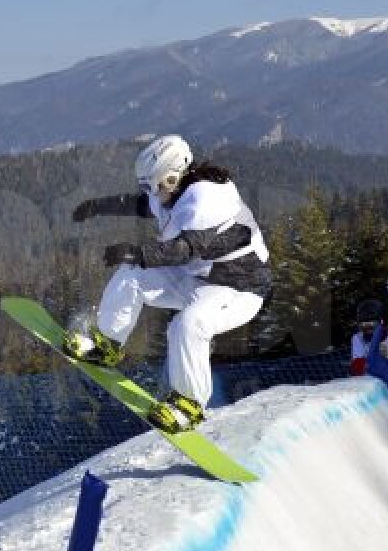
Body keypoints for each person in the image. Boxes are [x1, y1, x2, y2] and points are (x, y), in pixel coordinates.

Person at [65, 135, 272, 432]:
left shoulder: (208, 197)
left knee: (188, 324)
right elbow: (141, 205)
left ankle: (189, 405)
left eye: (153, 186)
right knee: (132, 275)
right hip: (197, 276)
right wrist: (97, 206)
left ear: (173, 177)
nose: (151, 192)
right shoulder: (171, 191)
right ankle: (107, 344)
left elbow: (187, 249)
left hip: (239, 287)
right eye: (146, 186)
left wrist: (138, 252)